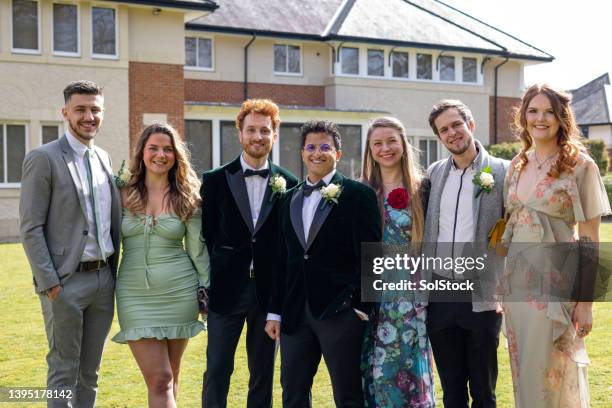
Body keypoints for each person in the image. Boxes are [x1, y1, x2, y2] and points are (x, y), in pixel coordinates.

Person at [501, 84, 610, 407]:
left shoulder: (581, 166)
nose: (541, 118)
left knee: (555, 372)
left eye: (549, 111)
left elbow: (590, 241)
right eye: (533, 111)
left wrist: (585, 302)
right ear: (523, 117)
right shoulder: (517, 165)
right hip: (517, 287)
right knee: (524, 372)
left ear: (562, 118)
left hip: (556, 286)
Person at [265, 120, 382, 407]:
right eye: (311, 147)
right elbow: (282, 260)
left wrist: (360, 307)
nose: (318, 153)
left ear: (338, 154)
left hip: (340, 312)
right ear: (303, 153)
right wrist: (275, 312)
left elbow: (373, 255)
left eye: (325, 147)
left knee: (348, 394)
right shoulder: (287, 199)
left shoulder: (358, 195)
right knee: (292, 393)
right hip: (294, 314)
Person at [20, 80, 121, 407]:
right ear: (65, 113)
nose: (89, 116)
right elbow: (31, 228)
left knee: (90, 372)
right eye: (81, 109)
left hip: (104, 281)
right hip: (65, 282)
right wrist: (51, 284)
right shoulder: (43, 158)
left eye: (95, 110)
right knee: (64, 369)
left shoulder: (104, 158)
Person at [201, 99, 298, 407]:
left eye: (265, 131)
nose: (258, 137)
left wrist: (278, 303)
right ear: (239, 133)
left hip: (268, 294)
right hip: (226, 290)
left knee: (263, 373)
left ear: (275, 135)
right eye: (252, 130)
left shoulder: (290, 184)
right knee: (217, 369)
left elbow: (287, 247)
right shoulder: (215, 180)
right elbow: (208, 235)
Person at [111, 123, 209, 406]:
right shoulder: (122, 191)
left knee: (170, 377)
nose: (160, 154)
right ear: (142, 152)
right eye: (153, 148)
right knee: (160, 378)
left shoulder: (186, 196)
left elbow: (196, 249)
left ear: (176, 155)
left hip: (179, 292)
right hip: (134, 295)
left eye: (167, 149)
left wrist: (208, 289)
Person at [424, 100, 508, 408]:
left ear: (470, 125)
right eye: (444, 129)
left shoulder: (502, 171)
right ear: (439, 137)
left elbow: (513, 231)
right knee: (452, 391)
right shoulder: (433, 174)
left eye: (456, 124)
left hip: (483, 292)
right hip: (441, 291)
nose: (452, 133)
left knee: (484, 391)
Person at [360, 117, 435, 407]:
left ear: (403, 144)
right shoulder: (362, 192)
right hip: (373, 298)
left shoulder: (424, 189)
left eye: (391, 141)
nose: (385, 148)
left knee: (410, 369)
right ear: (370, 149)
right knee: (374, 372)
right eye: (377, 143)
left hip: (411, 298)